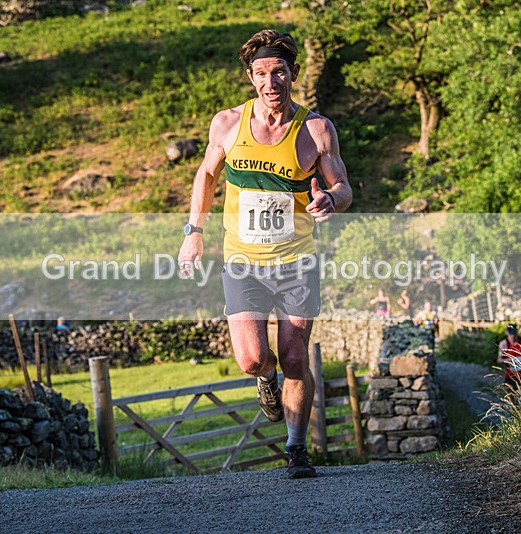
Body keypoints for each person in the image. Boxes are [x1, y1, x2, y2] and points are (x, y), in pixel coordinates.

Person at [177, 30, 352, 479]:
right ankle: (264, 381)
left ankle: (296, 449)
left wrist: (332, 200)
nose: (270, 82)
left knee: (295, 357)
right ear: (251, 77)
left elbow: (343, 187)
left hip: (296, 262)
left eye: (278, 72)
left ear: (293, 74)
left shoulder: (315, 129)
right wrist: (194, 231)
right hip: (242, 260)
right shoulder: (227, 123)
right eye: (260, 74)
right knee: (254, 359)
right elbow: (206, 176)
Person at [496, 323, 521, 389]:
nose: (512, 336)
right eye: (510, 334)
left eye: (514, 334)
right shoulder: (504, 344)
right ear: (507, 333)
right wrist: (509, 360)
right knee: (511, 397)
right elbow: (499, 360)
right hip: (511, 376)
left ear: (517, 332)